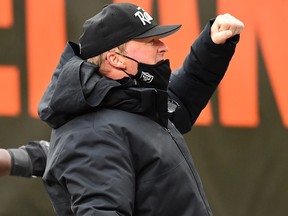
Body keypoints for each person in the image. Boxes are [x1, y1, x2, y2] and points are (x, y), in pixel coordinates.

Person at [2, 2, 244, 215]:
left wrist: (212, 47)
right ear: (115, 59)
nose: (163, 46)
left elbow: (177, 100)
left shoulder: (130, 102)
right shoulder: (94, 132)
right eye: (151, 40)